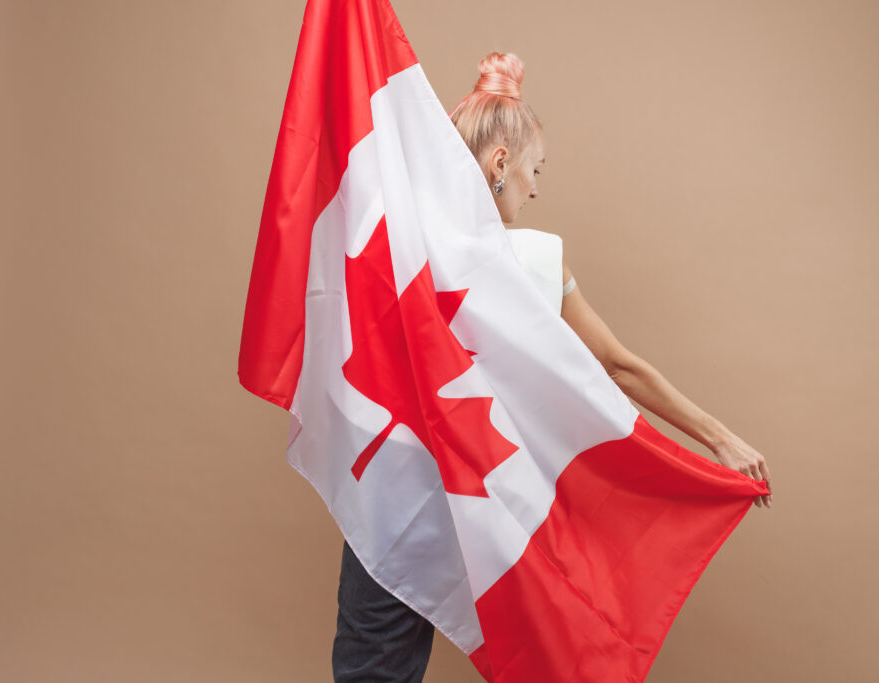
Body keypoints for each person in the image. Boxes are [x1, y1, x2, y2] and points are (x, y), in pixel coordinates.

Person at [331, 51, 774, 683]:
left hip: (396, 492)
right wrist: (720, 440)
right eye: (535, 169)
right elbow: (619, 367)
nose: (536, 188)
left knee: (372, 667)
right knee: (555, 651)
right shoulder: (539, 259)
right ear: (501, 164)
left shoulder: (401, 252)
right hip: (500, 500)